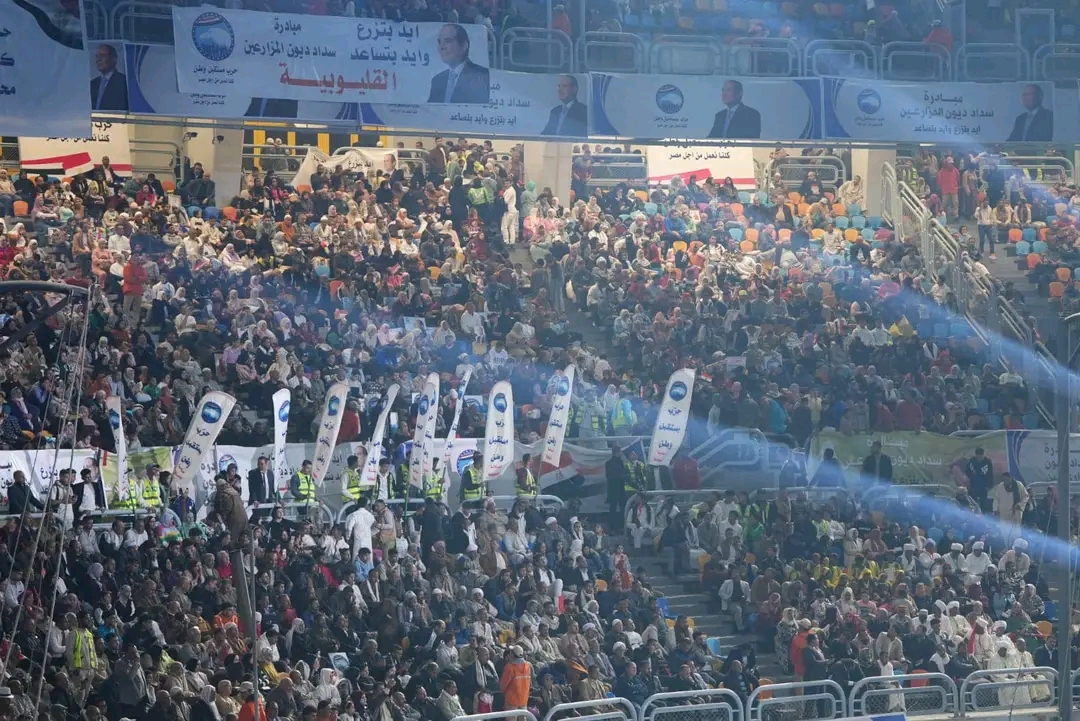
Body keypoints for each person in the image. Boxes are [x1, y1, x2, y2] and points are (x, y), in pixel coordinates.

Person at [427, 24, 490, 104]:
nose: (441, 47)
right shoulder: (437, 80)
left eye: (447, 41)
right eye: (439, 42)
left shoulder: (482, 77)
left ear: (464, 45)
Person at [90, 43, 128, 112]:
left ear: (114, 59)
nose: (98, 59)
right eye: (97, 56)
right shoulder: (92, 84)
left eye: (102, 55)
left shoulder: (124, 82)